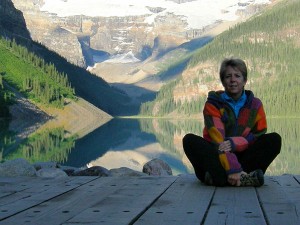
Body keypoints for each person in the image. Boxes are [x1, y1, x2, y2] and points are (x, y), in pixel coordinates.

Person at [182, 57, 281, 187]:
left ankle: (220, 178)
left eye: (237, 76)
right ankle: (244, 177)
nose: (233, 80)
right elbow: (219, 141)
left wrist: (234, 143)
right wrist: (233, 167)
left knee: (274, 139)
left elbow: (258, 134)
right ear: (223, 81)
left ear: (244, 80)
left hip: (243, 155)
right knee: (189, 140)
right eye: (228, 76)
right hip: (217, 153)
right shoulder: (213, 104)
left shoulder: (255, 105)